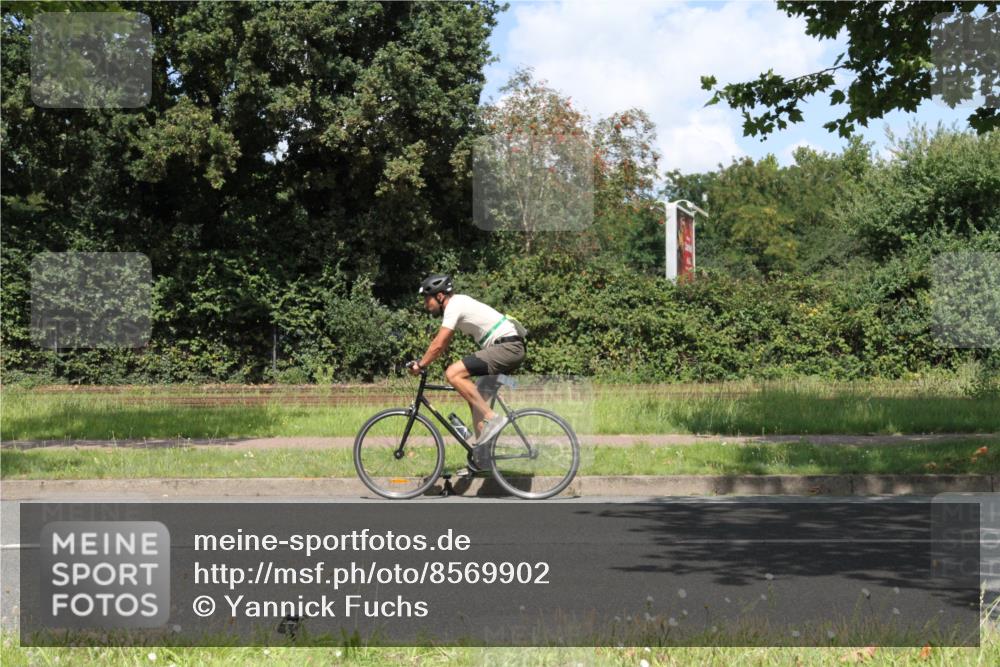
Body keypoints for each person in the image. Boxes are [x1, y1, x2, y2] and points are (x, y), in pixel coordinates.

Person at [408, 273, 526, 451]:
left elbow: (439, 344)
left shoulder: (454, 305)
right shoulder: (458, 304)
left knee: (453, 373)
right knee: (476, 399)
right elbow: (443, 344)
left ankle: (493, 419)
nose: (426, 305)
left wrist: (421, 365)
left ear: (439, 296)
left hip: (507, 347)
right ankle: (482, 459)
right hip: (507, 347)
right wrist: (424, 360)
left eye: (427, 299)